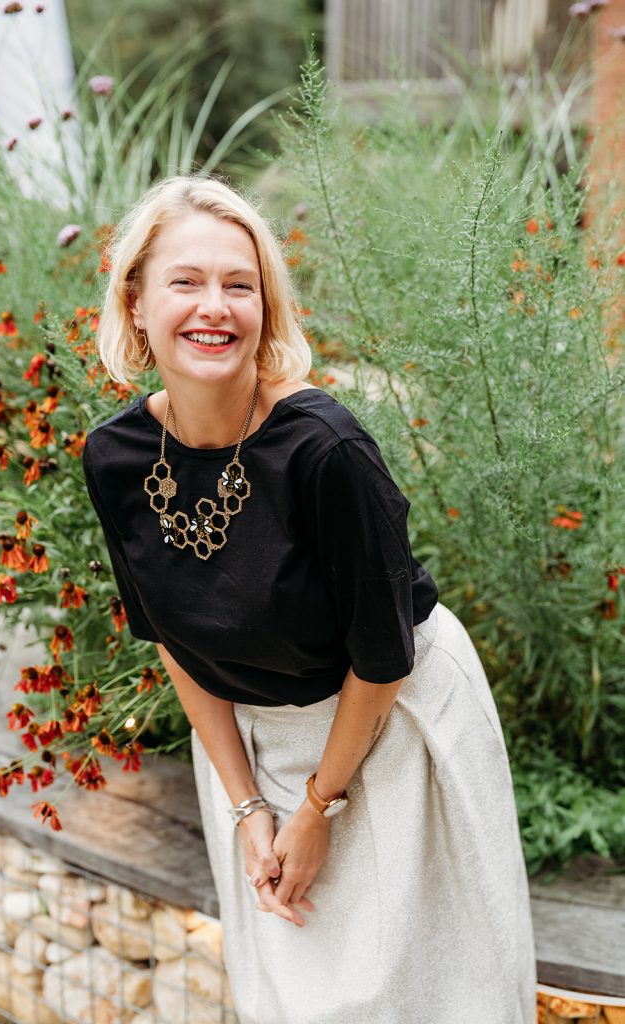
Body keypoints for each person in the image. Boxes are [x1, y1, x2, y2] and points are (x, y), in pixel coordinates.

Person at [82, 175, 536, 1024]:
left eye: (239, 284)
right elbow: (175, 645)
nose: (214, 307)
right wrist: (250, 806)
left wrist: (317, 809)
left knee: (426, 996)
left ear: (266, 307)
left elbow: (383, 655)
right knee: (291, 997)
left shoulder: (325, 450)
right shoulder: (115, 457)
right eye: (186, 281)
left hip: (391, 729)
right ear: (135, 302)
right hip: (254, 750)